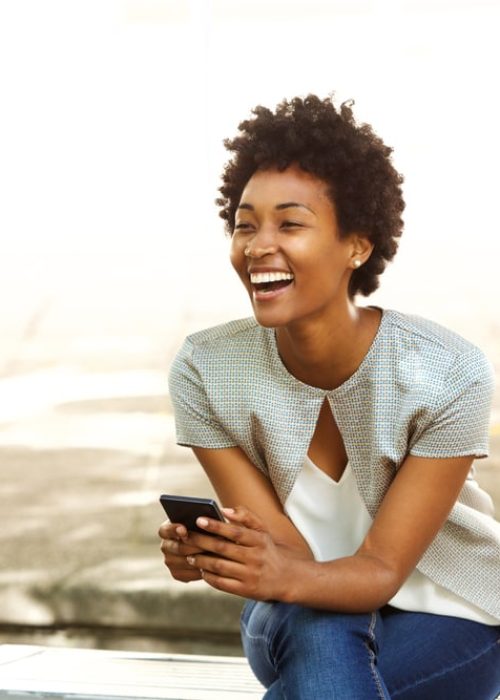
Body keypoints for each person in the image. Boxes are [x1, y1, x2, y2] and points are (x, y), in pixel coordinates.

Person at [159, 95, 500, 699]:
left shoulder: (449, 373)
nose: (258, 245)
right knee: (320, 623)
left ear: (357, 246)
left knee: (321, 653)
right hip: (292, 612)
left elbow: (380, 571)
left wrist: (274, 569)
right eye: (245, 224)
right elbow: (284, 558)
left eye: (290, 224)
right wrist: (224, 555)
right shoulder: (207, 369)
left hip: (450, 611)